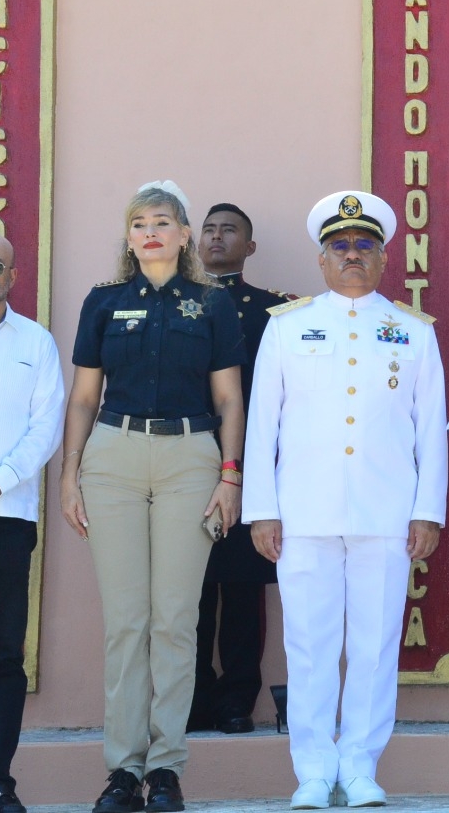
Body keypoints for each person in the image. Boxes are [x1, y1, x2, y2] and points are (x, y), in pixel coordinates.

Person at [243, 190, 447, 810]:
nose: (352, 254)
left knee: (375, 644)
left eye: (364, 245)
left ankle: (359, 765)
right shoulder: (285, 327)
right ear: (322, 260)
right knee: (307, 643)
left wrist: (427, 510)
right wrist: (263, 508)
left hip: (386, 511)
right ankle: (311, 769)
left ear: (384, 259)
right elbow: (262, 425)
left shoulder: (413, 331)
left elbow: (428, 427)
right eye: (340, 246)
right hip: (302, 510)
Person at [60, 180, 247, 813]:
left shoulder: (210, 304)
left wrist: (230, 475)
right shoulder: (104, 301)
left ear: (185, 234)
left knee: (173, 619)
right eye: (138, 222)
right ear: (129, 236)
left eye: (162, 221)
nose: (150, 231)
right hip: (112, 459)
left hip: (190, 459)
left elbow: (228, 398)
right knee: (126, 623)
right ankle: (122, 772)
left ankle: (165, 769)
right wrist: (69, 475)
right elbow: (85, 396)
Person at [0, 232, 67, 813]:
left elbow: (46, 426)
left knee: (4, 655)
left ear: (13, 277)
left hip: (5, 517)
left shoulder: (37, 343)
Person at [189, 203, 294, 735]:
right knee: (190, 588)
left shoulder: (274, 312)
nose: (216, 237)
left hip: (248, 466)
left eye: (229, 230)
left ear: (249, 247)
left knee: (243, 586)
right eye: (209, 229)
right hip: (183, 460)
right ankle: (193, 699)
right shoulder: (176, 302)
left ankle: (236, 700)